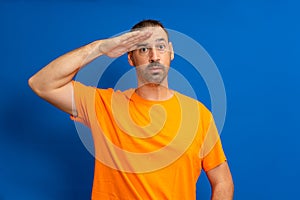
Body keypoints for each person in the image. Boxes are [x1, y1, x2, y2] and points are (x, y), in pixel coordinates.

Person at [28, 19, 234, 199]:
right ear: (130, 58)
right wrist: (99, 48)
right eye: (144, 49)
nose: (154, 56)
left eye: (160, 47)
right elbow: (41, 84)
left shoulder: (198, 115)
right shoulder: (103, 104)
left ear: (170, 52)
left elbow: (223, 180)